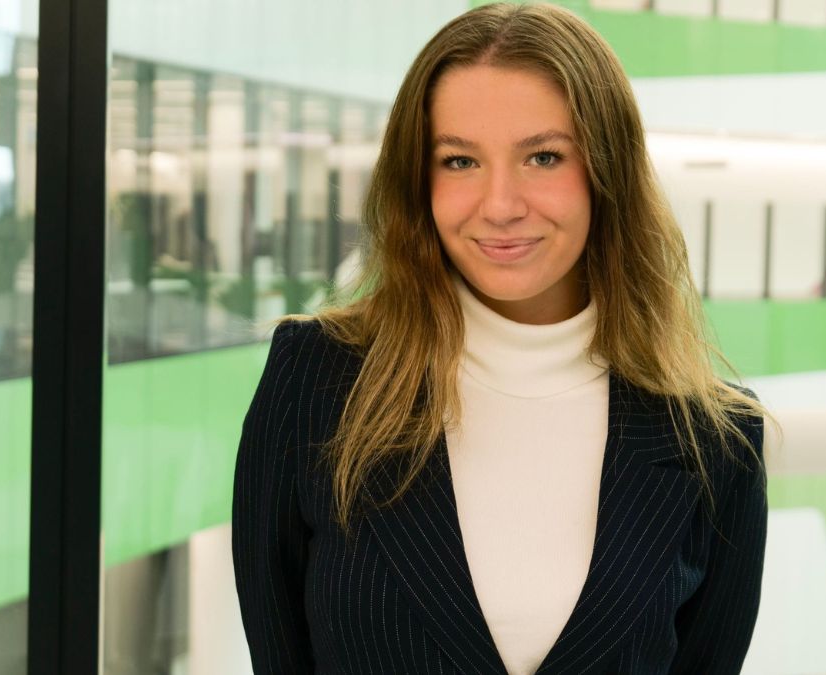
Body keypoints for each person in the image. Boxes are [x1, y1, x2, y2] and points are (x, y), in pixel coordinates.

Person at [232, 3, 772, 673]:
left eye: (543, 156)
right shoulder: (314, 381)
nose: (500, 204)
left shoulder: (716, 443)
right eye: (460, 161)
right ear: (419, 182)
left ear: (609, 172)